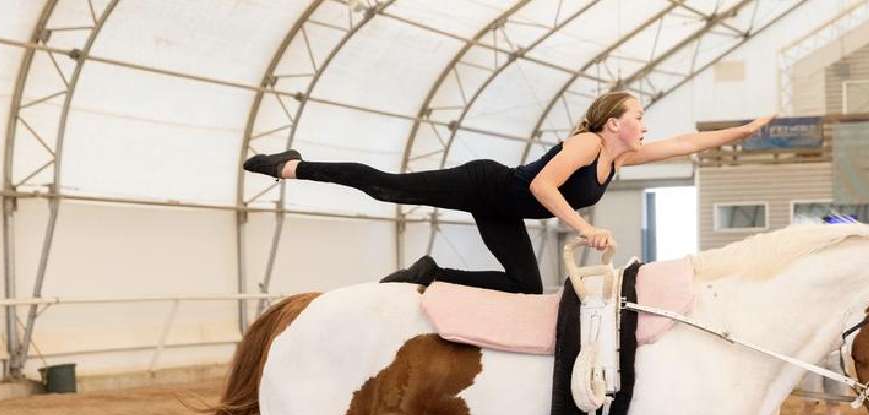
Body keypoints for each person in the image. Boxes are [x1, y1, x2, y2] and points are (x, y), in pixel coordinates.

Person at [244, 92, 775, 293]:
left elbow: (685, 142)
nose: (646, 123)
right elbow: (542, 185)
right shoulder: (587, 143)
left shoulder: (619, 157)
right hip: (486, 184)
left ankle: (431, 274)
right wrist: (585, 228)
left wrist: (745, 130)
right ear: (614, 123)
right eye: (639, 115)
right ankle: (291, 166)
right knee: (387, 189)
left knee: (523, 286)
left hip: (504, 212)